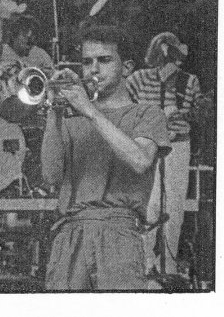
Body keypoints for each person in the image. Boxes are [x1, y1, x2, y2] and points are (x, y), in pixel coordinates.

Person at [41, 25, 170, 290]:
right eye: (87, 62)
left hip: (118, 235)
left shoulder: (147, 114)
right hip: (70, 235)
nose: (94, 69)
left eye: (105, 60)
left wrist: (89, 110)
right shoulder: (71, 121)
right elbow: (50, 176)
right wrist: (54, 112)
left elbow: (140, 160)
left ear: (127, 68)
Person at [126, 32, 202, 275]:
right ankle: (145, 263)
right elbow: (123, 105)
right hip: (146, 145)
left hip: (178, 146)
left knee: (174, 206)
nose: (174, 63)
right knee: (148, 205)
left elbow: (199, 114)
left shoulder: (189, 82)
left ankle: (168, 266)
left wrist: (195, 112)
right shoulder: (138, 79)